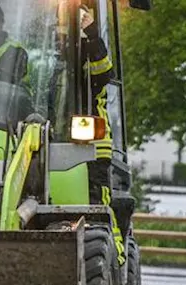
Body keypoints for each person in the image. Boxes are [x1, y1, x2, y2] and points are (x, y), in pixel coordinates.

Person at [81, 6, 113, 208]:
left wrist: (92, 35)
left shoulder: (91, 53)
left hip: (93, 146)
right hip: (55, 143)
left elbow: (104, 73)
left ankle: (112, 240)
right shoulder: (58, 61)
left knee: (97, 207)